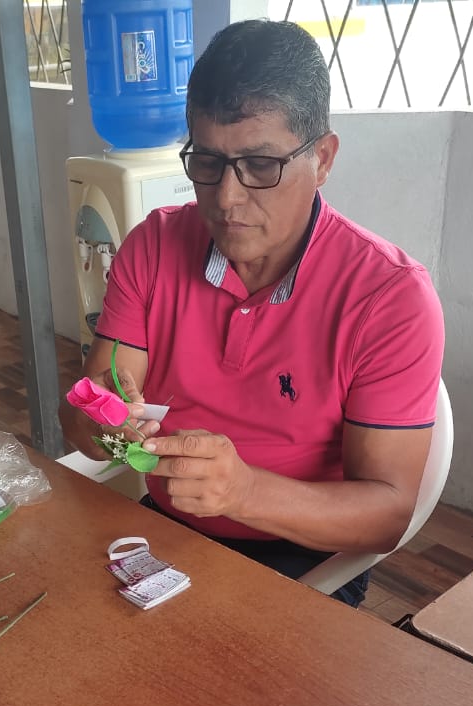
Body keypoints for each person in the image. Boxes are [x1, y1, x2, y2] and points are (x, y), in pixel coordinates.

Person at [62, 19, 445, 607]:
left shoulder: (390, 298)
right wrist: (102, 425)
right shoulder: (153, 248)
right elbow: (89, 411)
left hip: (304, 553)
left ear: (322, 159)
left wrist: (243, 493)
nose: (227, 198)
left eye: (261, 165)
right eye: (207, 162)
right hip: (166, 529)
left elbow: (387, 516)